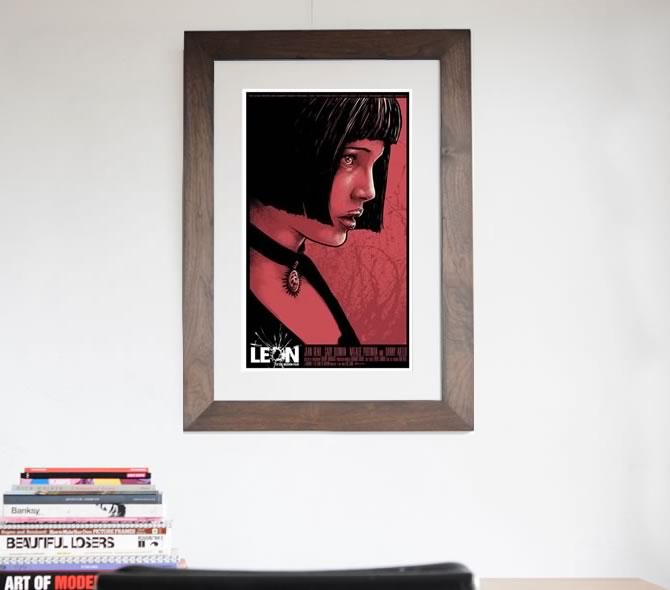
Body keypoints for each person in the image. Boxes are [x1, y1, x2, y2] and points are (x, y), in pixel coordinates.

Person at [246, 93, 402, 350]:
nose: (369, 191)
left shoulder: (302, 268)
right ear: (288, 146)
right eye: (348, 158)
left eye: (374, 164)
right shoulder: (223, 287)